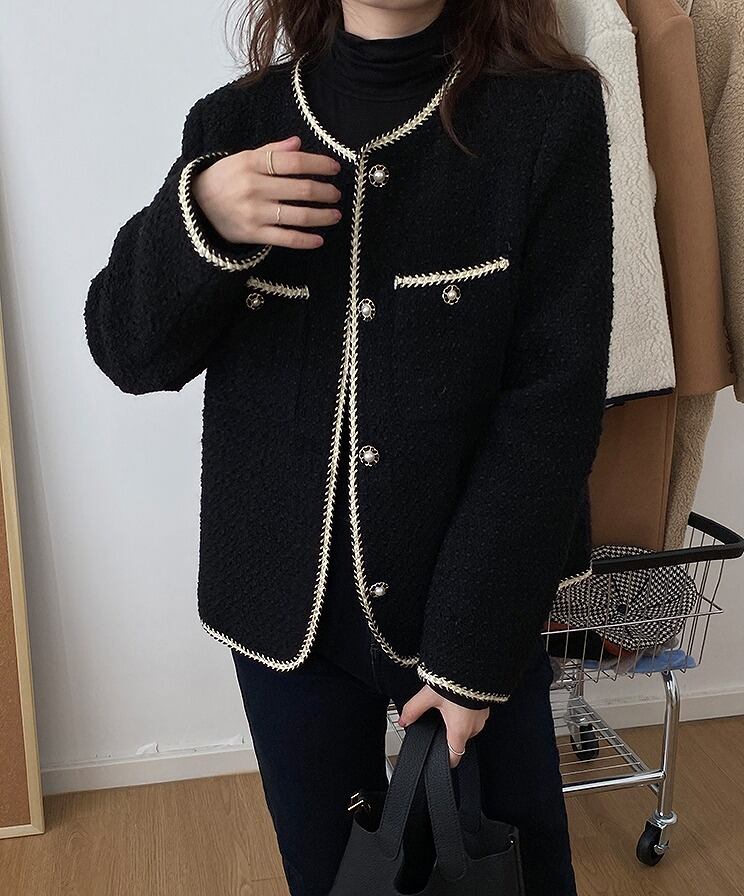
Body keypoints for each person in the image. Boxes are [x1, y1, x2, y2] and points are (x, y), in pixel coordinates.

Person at [84, 1, 613, 893]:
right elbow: (127, 352)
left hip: (471, 608)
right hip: (281, 622)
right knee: (329, 879)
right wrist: (200, 215)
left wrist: (471, 656)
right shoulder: (235, 125)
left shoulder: (547, 115)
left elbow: (552, 404)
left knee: (511, 873)